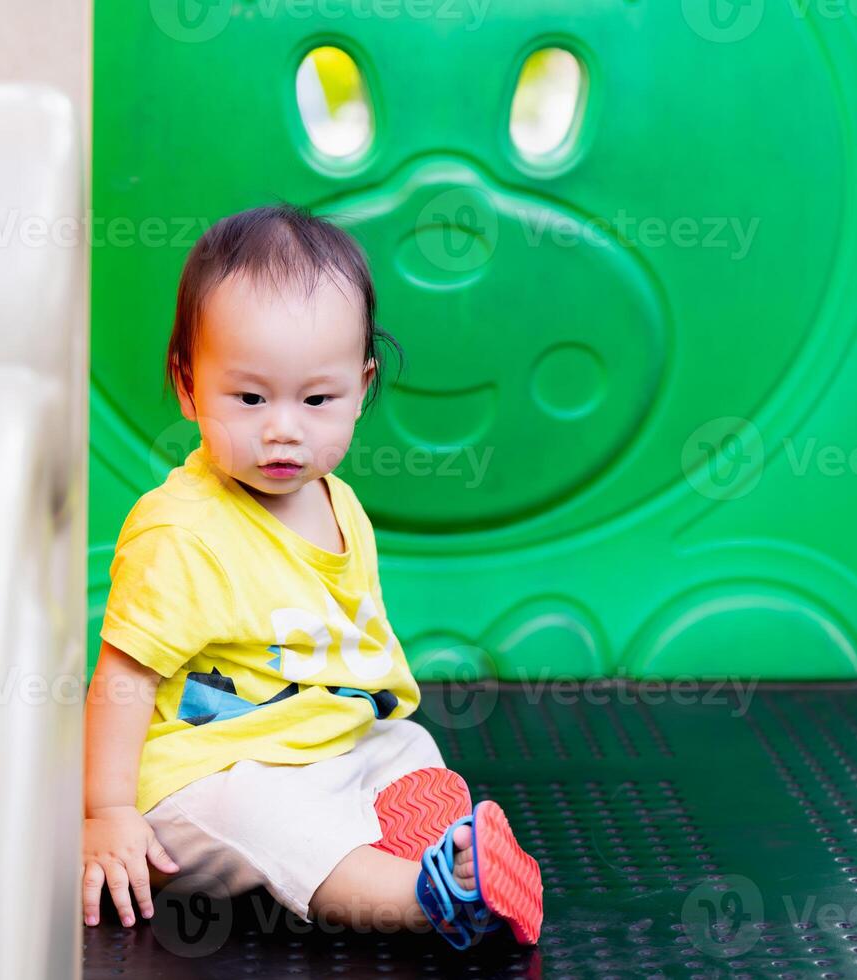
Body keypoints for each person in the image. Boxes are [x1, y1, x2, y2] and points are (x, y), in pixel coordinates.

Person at [80, 204, 542, 950]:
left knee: (406, 747)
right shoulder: (183, 533)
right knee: (272, 820)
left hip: (317, 743)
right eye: (250, 398)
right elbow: (123, 679)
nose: (284, 428)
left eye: (317, 399)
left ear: (361, 388)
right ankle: (420, 899)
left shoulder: (341, 505)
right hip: (209, 774)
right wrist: (106, 812)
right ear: (189, 384)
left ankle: (443, 841)